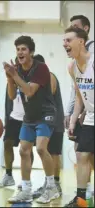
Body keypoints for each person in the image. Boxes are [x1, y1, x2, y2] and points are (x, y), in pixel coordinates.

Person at [4, 36, 60, 204]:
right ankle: (26, 190)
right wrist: (9, 77)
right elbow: (12, 95)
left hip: (46, 113)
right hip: (29, 116)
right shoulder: (17, 69)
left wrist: (15, 74)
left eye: (23, 49)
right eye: (18, 49)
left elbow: (29, 91)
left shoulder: (41, 68)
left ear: (31, 52)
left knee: (41, 148)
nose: (20, 52)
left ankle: (51, 187)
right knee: (23, 150)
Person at [63, 27, 94, 207]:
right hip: (90, 117)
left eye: (68, 40)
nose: (64, 44)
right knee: (82, 155)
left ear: (81, 42)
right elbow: (78, 96)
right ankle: (80, 199)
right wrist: (73, 119)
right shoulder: (72, 67)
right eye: (64, 41)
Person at [0, 57, 34, 188]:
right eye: (17, 63)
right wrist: (7, 118)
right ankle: (8, 175)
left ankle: (27, 179)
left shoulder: (30, 79)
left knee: (27, 149)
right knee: (7, 144)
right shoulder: (11, 80)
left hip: (28, 118)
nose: (18, 65)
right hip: (13, 118)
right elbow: (9, 101)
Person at [31, 54, 64, 199]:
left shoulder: (50, 76)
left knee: (54, 152)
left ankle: (55, 184)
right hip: (46, 119)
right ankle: (48, 183)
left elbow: (46, 96)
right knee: (47, 151)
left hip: (54, 119)